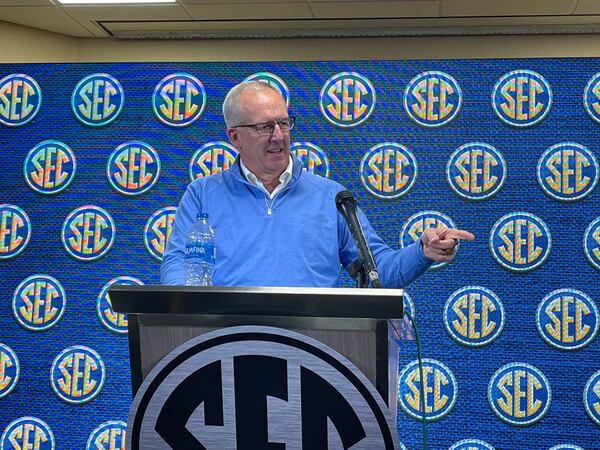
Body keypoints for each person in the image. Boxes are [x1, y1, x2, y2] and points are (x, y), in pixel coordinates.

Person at [161, 80, 474, 287]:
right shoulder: (202, 194)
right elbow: (178, 264)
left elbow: (378, 272)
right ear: (234, 137)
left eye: (284, 123)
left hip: (313, 352)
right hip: (224, 344)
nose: (279, 136)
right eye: (264, 127)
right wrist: (190, 311)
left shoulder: (330, 196)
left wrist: (422, 251)